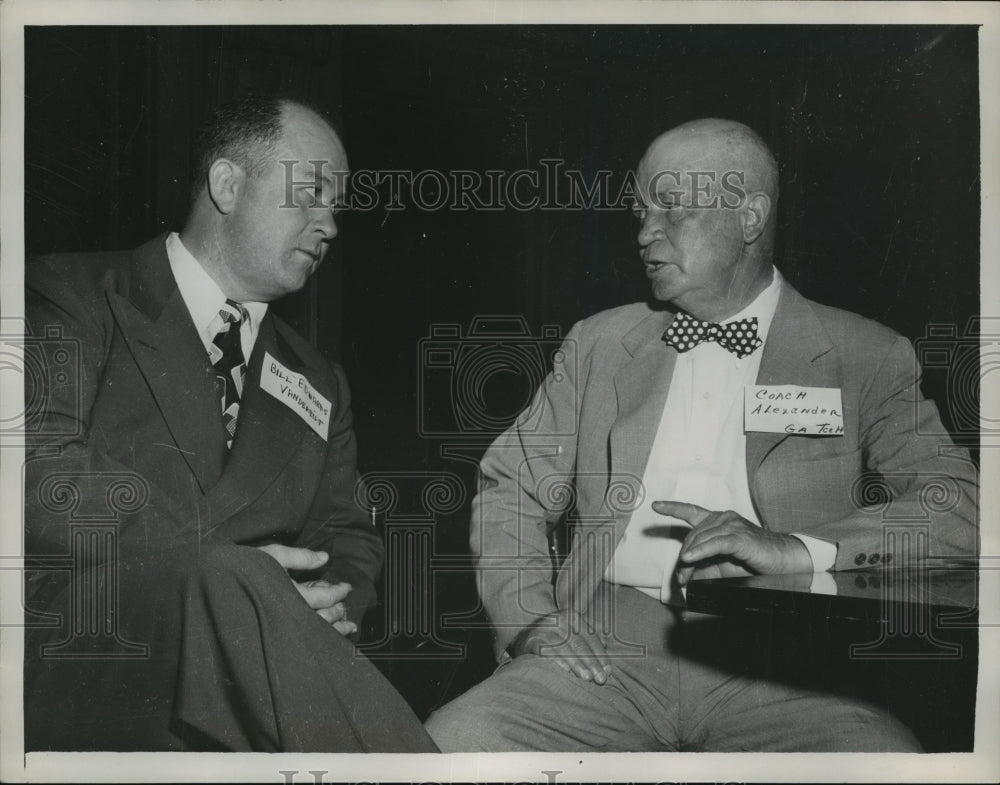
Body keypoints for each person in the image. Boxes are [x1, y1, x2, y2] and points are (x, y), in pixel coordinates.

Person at [425, 118, 978, 752]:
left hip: (786, 662)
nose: (644, 233)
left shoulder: (866, 354)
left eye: (671, 209)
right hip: (604, 647)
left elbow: (965, 506)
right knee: (454, 742)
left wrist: (796, 549)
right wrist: (531, 620)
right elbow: (510, 488)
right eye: (640, 211)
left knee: (884, 762)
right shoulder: (598, 343)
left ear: (749, 218)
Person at [23, 96, 437, 752]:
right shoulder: (70, 294)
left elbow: (349, 535)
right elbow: (37, 467)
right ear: (226, 184)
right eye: (311, 192)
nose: (329, 222)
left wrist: (331, 602)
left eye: (338, 203)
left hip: (255, 675)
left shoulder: (319, 381)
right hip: (89, 653)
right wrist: (239, 579)